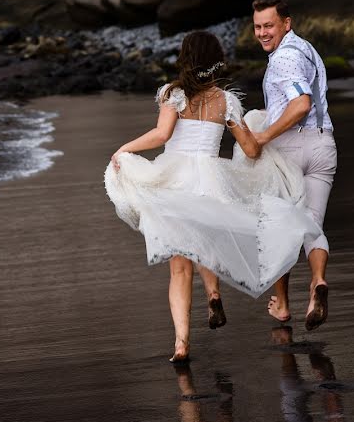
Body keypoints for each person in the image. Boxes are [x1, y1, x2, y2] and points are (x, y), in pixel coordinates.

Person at [105, 31, 321, 363]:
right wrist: (262, 129)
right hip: (211, 179)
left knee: (180, 266)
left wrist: (124, 148)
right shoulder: (227, 101)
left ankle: (181, 344)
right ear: (215, 60)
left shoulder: (173, 94)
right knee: (206, 237)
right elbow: (249, 149)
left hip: (175, 178)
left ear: (186, 58)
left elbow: (162, 135)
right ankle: (214, 293)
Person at [250, 0, 338, 331]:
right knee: (311, 225)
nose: (262, 33)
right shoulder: (306, 50)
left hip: (290, 150)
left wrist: (263, 135)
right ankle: (317, 282)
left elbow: (300, 104)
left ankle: (283, 304)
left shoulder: (284, 58)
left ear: (287, 23)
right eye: (257, 26)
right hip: (322, 145)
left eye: (268, 25)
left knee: (281, 229)